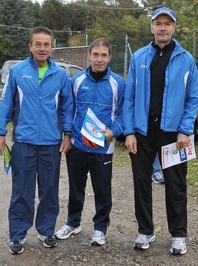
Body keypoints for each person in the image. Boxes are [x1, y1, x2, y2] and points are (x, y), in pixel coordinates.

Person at [123, 7, 198, 255]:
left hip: (173, 133)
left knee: (176, 184)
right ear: (152, 27)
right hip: (143, 131)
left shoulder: (185, 59)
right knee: (141, 182)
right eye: (159, 23)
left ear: (174, 28)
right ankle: (146, 231)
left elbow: (192, 98)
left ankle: (178, 235)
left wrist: (184, 130)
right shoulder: (139, 58)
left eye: (168, 23)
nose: (163, 27)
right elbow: (129, 98)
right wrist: (129, 132)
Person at [0, 26, 74, 254]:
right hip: (24, 143)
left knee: (49, 190)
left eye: (46, 44)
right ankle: (17, 235)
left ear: (52, 47)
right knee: (22, 191)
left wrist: (68, 134)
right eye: (38, 44)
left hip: (51, 144)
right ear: (30, 46)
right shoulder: (18, 72)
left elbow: (67, 107)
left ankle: (46, 230)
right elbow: (7, 103)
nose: (42, 48)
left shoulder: (59, 75)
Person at [55, 38, 125, 246]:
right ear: (89, 56)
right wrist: (68, 135)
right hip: (77, 145)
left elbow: (123, 114)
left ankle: (100, 228)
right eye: (96, 55)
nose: (99, 59)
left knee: (102, 189)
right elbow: (68, 110)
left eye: (104, 55)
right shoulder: (76, 81)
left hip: (103, 148)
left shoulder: (118, 84)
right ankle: (73, 223)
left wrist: (113, 131)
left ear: (109, 57)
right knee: (76, 187)